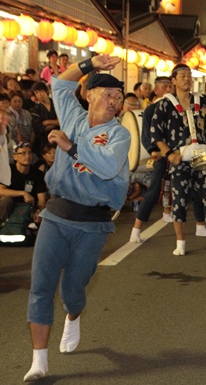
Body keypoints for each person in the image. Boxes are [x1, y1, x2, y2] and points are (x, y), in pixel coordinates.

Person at [23, 54, 130, 381]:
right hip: (57, 213)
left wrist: (70, 146)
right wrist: (91, 63)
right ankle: (39, 360)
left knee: (72, 289)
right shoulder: (72, 115)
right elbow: (60, 83)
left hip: (92, 223)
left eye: (118, 97)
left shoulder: (120, 135)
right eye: (107, 94)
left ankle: (73, 315)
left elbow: (108, 167)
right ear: (89, 95)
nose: (114, 102)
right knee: (41, 286)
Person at [151, 63, 206, 256]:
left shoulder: (201, 101)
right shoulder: (165, 104)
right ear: (173, 80)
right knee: (179, 200)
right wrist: (169, 154)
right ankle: (180, 243)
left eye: (189, 75)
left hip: (202, 158)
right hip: (180, 159)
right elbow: (156, 134)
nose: (187, 79)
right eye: (182, 76)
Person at [129, 77, 175, 243]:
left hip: (177, 154)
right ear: (157, 90)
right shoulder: (151, 110)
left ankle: (168, 213)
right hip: (161, 154)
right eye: (164, 87)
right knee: (154, 189)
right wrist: (153, 150)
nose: (169, 89)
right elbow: (146, 135)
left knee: (174, 185)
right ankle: (136, 229)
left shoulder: (177, 107)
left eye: (170, 86)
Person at [0, 142, 47, 224]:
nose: (27, 156)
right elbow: (1, 191)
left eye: (29, 153)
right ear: (15, 157)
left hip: (27, 207)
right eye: (23, 153)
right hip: (9, 205)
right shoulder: (8, 170)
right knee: (6, 200)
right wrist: (23, 193)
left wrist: (39, 211)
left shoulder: (38, 174)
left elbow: (42, 199)